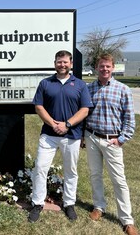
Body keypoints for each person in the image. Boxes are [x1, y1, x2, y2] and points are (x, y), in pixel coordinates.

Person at [28, 50, 93, 223]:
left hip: (72, 134)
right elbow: (39, 107)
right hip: (48, 135)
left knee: (70, 170)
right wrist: (54, 124)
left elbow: (85, 109)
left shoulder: (80, 85)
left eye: (65, 62)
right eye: (59, 62)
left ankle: (69, 203)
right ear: (54, 63)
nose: (62, 65)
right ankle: (37, 203)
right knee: (40, 168)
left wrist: (67, 124)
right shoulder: (45, 83)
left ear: (71, 64)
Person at [85, 53, 138, 235]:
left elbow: (130, 119)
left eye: (108, 66)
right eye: (101, 66)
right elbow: (85, 113)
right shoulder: (89, 88)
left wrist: (122, 138)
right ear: (96, 68)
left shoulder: (123, 89)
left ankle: (127, 220)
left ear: (113, 68)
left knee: (119, 180)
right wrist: (84, 136)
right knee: (95, 174)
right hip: (92, 137)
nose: (104, 69)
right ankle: (99, 207)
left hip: (112, 140)